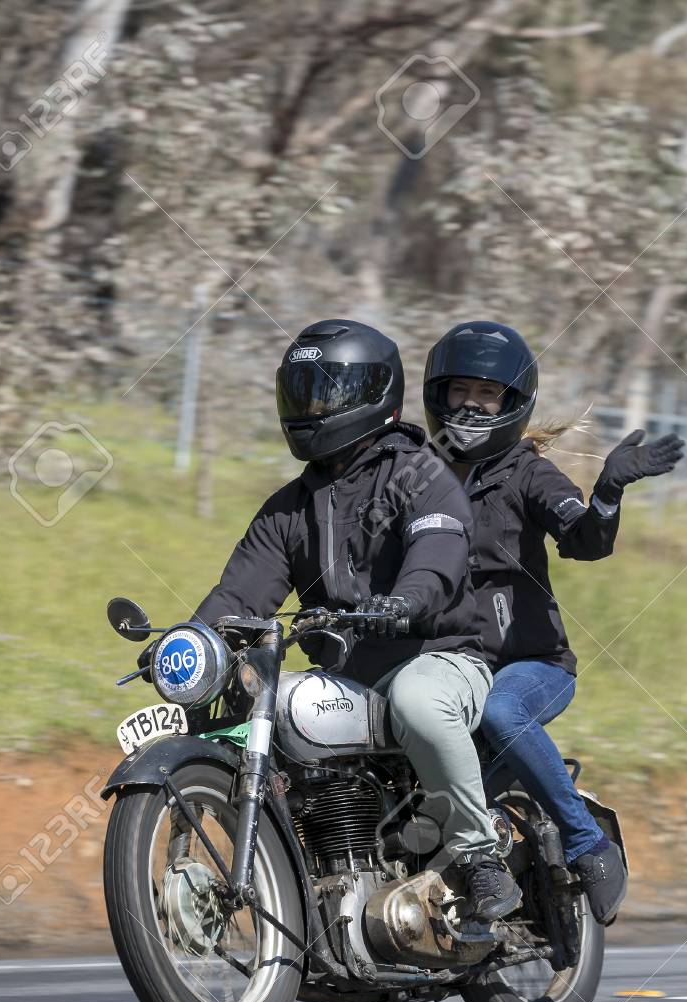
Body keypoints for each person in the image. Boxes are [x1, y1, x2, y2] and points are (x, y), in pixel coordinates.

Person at [195, 318, 518, 921]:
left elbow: (438, 551)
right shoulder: (290, 508)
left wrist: (404, 601)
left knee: (419, 702)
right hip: (350, 674)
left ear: (375, 394)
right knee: (272, 711)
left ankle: (479, 856)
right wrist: (193, 642)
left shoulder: (420, 472)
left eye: (329, 392)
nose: (313, 407)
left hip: (437, 655)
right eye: (303, 391)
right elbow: (239, 593)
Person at [422, 320, 684, 925]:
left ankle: (587, 841)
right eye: (462, 390)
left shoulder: (526, 472)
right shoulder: (420, 471)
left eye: (488, 395)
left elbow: (584, 541)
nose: (471, 405)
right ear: (440, 395)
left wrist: (609, 493)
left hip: (529, 666)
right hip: (446, 664)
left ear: (512, 404)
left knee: (502, 713)